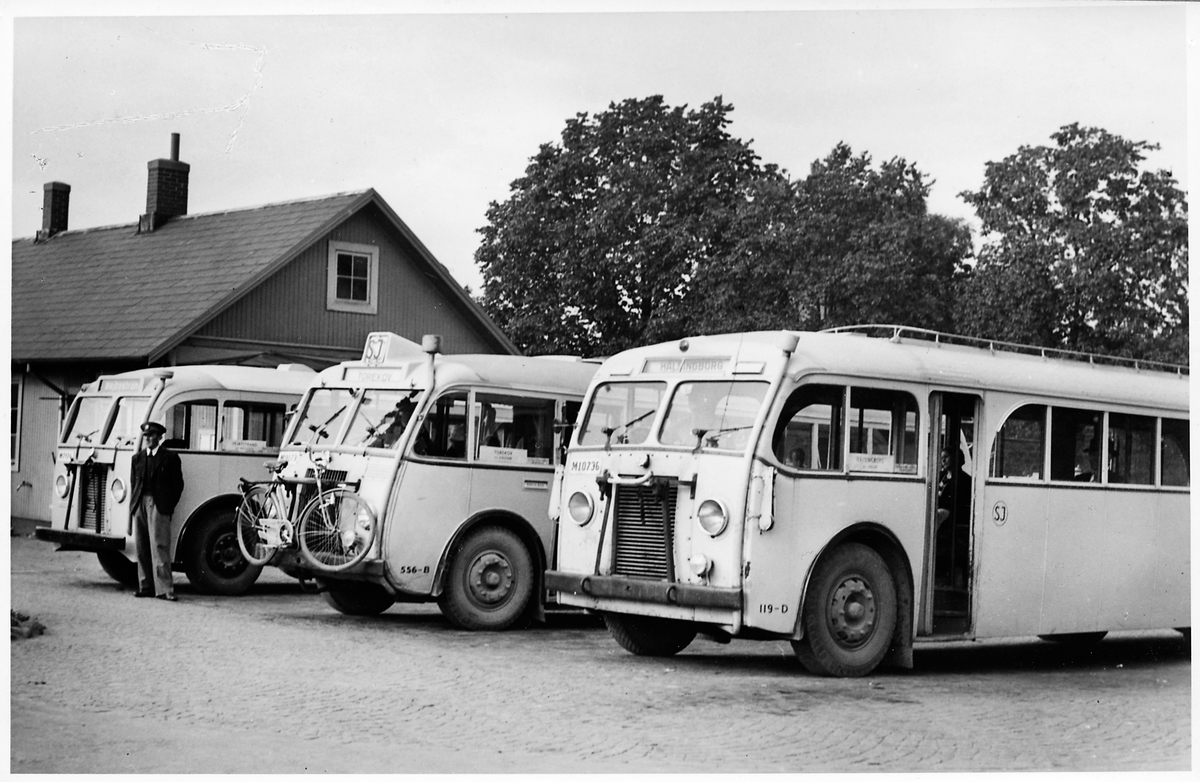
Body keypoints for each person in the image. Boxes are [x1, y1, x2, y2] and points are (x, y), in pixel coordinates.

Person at [130, 421, 185, 601]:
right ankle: (145, 586)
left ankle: (165, 589)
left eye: (151, 435)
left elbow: (178, 485)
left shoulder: (170, 457)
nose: (148, 439)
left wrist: (167, 506)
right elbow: (134, 482)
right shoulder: (137, 458)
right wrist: (135, 504)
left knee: (159, 546)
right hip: (140, 503)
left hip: (159, 505)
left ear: (160, 437)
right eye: (146, 436)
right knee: (142, 547)